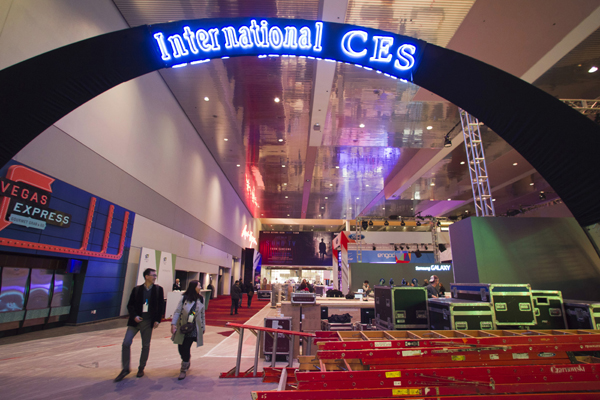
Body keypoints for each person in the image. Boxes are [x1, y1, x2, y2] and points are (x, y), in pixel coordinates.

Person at [115, 268, 164, 382]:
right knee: (126, 343)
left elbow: (160, 305)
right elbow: (130, 305)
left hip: (148, 321)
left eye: (155, 275)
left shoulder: (158, 290)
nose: (155, 277)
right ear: (146, 276)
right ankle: (125, 368)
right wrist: (134, 316)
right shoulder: (137, 290)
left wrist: (158, 319)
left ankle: (141, 367)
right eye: (153, 275)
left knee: (145, 345)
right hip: (135, 321)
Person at [171, 280, 205, 380]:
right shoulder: (184, 298)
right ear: (193, 287)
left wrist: (203, 326)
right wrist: (173, 324)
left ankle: (184, 368)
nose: (200, 287)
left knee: (186, 346)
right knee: (180, 347)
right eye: (199, 285)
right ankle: (186, 359)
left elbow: (202, 314)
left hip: (193, 327)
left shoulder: (201, 299)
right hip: (183, 325)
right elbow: (177, 311)